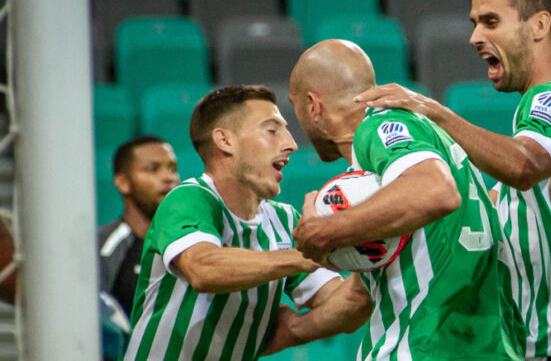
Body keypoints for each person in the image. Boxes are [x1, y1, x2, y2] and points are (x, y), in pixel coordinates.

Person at [355, 0, 551, 360]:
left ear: (539, 25)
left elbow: (524, 166)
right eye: (475, 23)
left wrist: (432, 111)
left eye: (491, 21)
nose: (475, 37)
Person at [287, 39, 522, 360]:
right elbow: (357, 299)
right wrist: (290, 331)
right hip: (484, 347)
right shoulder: (424, 142)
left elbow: (435, 190)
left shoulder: (378, 125)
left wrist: (325, 231)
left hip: (423, 347)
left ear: (313, 106)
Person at [124, 85, 370, 361]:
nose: (291, 144)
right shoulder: (188, 198)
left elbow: (346, 304)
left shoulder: (285, 220)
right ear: (225, 141)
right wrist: (308, 255)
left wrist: (369, 254)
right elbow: (203, 269)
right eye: (272, 130)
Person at [97, 135, 180, 315]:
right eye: (153, 169)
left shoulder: (191, 243)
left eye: (173, 169)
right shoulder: (103, 247)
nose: (168, 177)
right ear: (123, 183)